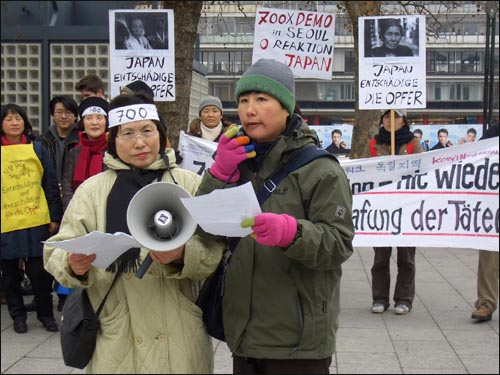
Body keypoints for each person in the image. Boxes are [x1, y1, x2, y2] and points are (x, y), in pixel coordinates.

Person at [43, 93, 224, 373]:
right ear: (112, 140)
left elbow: (215, 249)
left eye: (147, 131)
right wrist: (71, 264)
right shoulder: (92, 190)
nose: (139, 142)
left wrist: (183, 254)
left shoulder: (188, 183)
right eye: (127, 133)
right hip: (115, 331)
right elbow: (56, 249)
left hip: (179, 329)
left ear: (161, 135)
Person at [196, 58, 354, 374]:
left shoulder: (320, 169)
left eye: (261, 99)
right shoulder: (236, 162)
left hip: (298, 342)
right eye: (243, 100)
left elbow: (338, 244)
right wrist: (218, 172)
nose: (249, 110)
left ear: (286, 107)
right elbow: (204, 230)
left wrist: (291, 233)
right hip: (243, 334)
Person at [1, 104, 63, 334]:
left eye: (18, 118)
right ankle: (17, 316)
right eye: (8, 119)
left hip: (36, 219)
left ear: (25, 122)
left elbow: (50, 183)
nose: (14, 123)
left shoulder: (37, 148)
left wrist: (54, 215)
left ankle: (46, 314)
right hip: (6, 221)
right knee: (9, 273)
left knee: (39, 271)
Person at [362, 109, 424, 315]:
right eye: (386, 117)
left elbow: (423, 171)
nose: (389, 121)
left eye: (394, 117)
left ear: (403, 120)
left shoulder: (412, 144)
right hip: (381, 209)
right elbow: (362, 171)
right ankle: (379, 298)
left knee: (406, 257)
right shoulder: (373, 144)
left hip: (407, 208)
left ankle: (404, 299)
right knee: (380, 257)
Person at [39, 95, 80, 311]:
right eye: (59, 112)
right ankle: (50, 293)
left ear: (75, 116)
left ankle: (66, 295)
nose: (63, 116)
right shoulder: (42, 141)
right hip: (50, 200)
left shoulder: (80, 140)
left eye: (68, 112)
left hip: (73, 199)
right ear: (53, 115)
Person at [471, 121, 499, 321]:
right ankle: (486, 303)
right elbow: (477, 156)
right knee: (489, 253)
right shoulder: (494, 132)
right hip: (493, 204)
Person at [61, 96, 109, 211]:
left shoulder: (114, 151)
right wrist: (72, 210)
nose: (94, 123)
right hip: (77, 210)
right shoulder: (74, 152)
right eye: (89, 118)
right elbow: (67, 186)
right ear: (83, 122)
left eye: (99, 118)